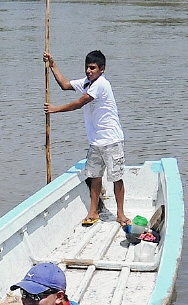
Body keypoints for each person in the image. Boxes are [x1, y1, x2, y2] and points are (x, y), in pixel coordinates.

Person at [43, 50, 129, 229]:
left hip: (111, 140)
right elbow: (65, 85)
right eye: (87, 68)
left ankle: (120, 214)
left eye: (93, 68)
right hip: (96, 142)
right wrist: (52, 64)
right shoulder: (87, 83)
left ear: (102, 69)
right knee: (94, 177)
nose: (89, 71)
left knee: (116, 178)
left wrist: (55, 109)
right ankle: (93, 212)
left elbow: (79, 102)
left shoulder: (101, 85)